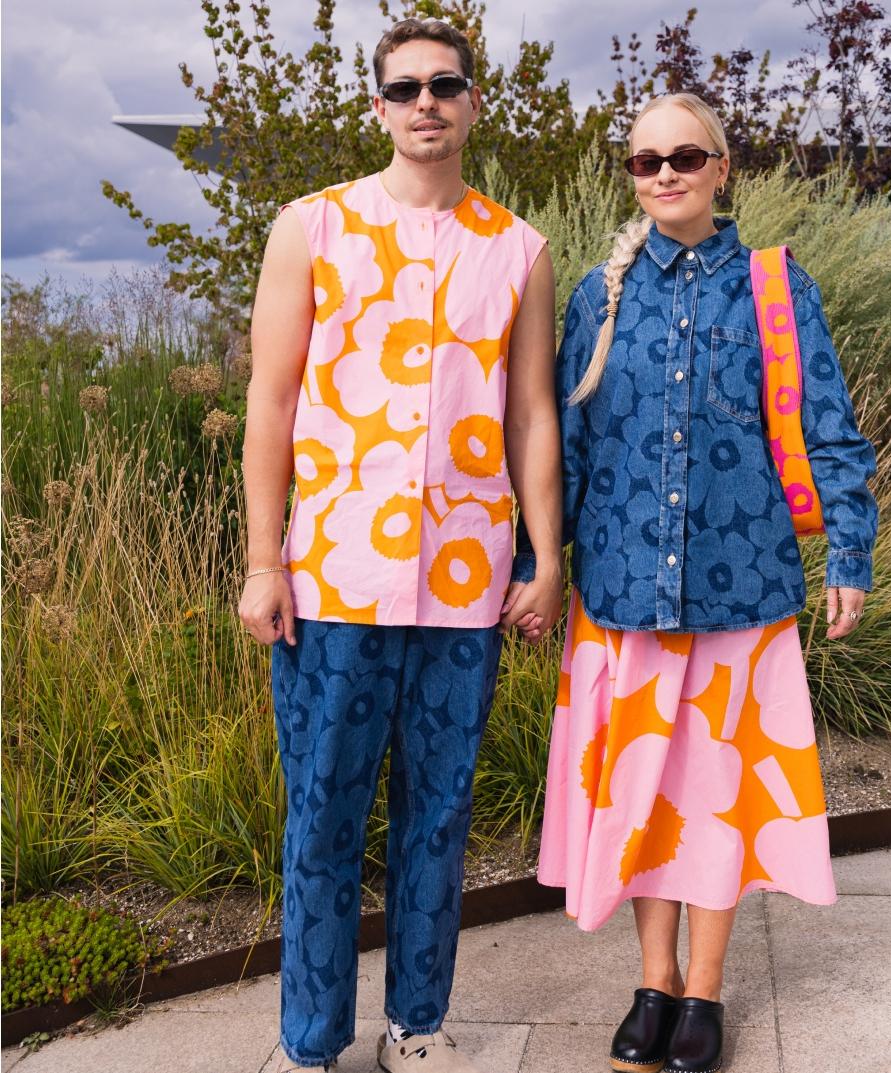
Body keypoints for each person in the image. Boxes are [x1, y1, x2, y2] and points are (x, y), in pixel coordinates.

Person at [527, 93, 879, 1073]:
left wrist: (849, 552)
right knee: (643, 791)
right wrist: (539, 563)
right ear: (631, 175)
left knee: (714, 794)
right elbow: (567, 448)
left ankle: (705, 989)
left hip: (740, 587)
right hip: (623, 588)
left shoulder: (775, 288)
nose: (665, 175)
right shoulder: (597, 297)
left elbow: (828, 426)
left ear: (722, 168)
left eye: (684, 156)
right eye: (645, 161)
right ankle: (653, 980)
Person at [238, 17, 562, 1072]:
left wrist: (544, 558)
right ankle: (309, 1040)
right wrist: (263, 559)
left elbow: (530, 414)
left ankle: (416, 1027)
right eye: (406, 87)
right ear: (378, 106)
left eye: (445, 84)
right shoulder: (311, 227)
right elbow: (270, 400)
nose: (427, 101)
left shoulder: (518, 248)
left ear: (473, 102)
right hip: (333, 576)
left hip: (465, 580)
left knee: (438, 818)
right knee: (322, 816)